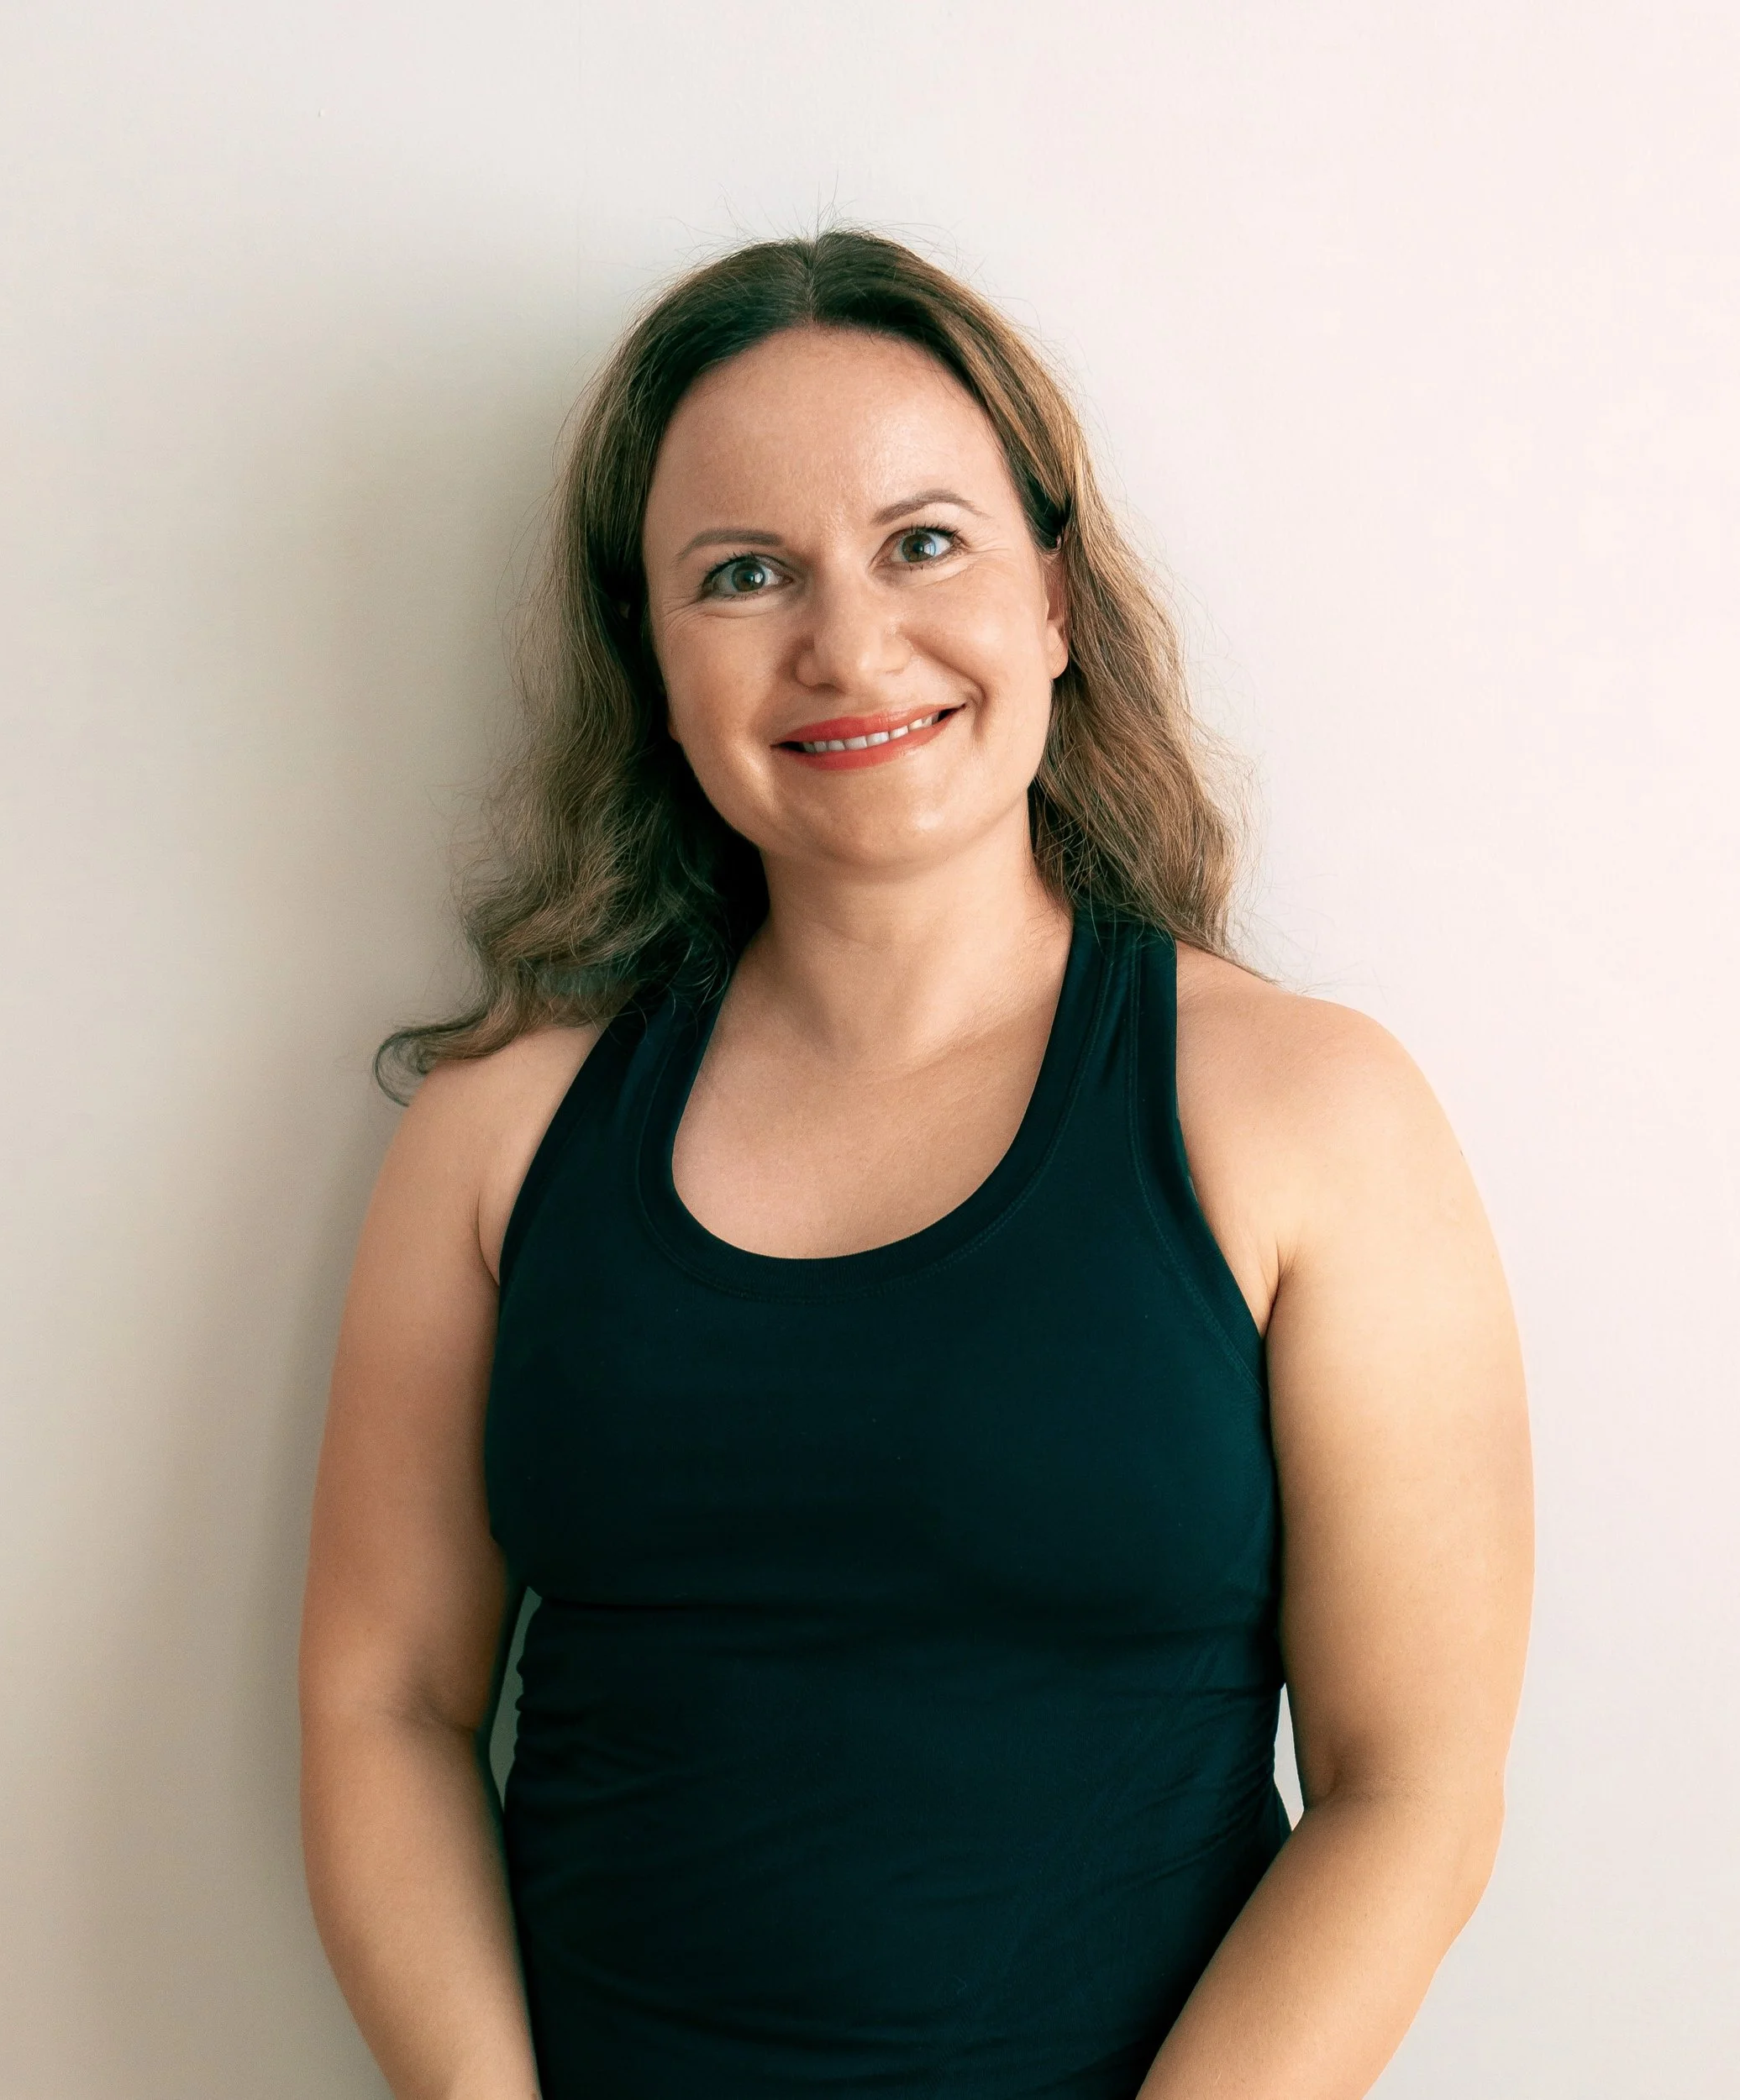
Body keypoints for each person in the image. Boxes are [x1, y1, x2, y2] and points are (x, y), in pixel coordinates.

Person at [297, 229, 1533, 2100]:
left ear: (1055, 599)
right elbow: (382, 1701)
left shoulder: (1309, 1113)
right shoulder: (503, 1131)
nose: (850, 644)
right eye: (743, 573)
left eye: (924, 542)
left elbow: (1411, 1789)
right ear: (653, 662)